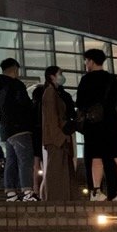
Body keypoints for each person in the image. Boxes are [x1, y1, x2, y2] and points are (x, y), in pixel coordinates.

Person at [77, 48, 117, 201]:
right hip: (111, 123)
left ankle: (96, 192)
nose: (85, 64)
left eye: (86, 61)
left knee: (96, 158)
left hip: (94, 124)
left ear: (91, 61)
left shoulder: (86, 80)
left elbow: (80, 103)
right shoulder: (111, 79)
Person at [0, 57, 38, 202]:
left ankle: (11, 193)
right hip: (20, 128)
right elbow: (24, 105)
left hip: (7, 131)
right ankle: (27, 192)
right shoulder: (16, 85)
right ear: (15, 69)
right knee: (25, 161)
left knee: (11, 161)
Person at [40, 65, 78, 202]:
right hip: (57, 139)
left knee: (59, 171)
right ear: (52, 76)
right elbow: (51, 118)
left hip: (58, 138)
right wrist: (60, 138)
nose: (62, 76)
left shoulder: (53, 92)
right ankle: (56, 200)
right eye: (60, 73)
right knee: (56, 172)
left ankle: (60, 199)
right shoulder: (50, 92)